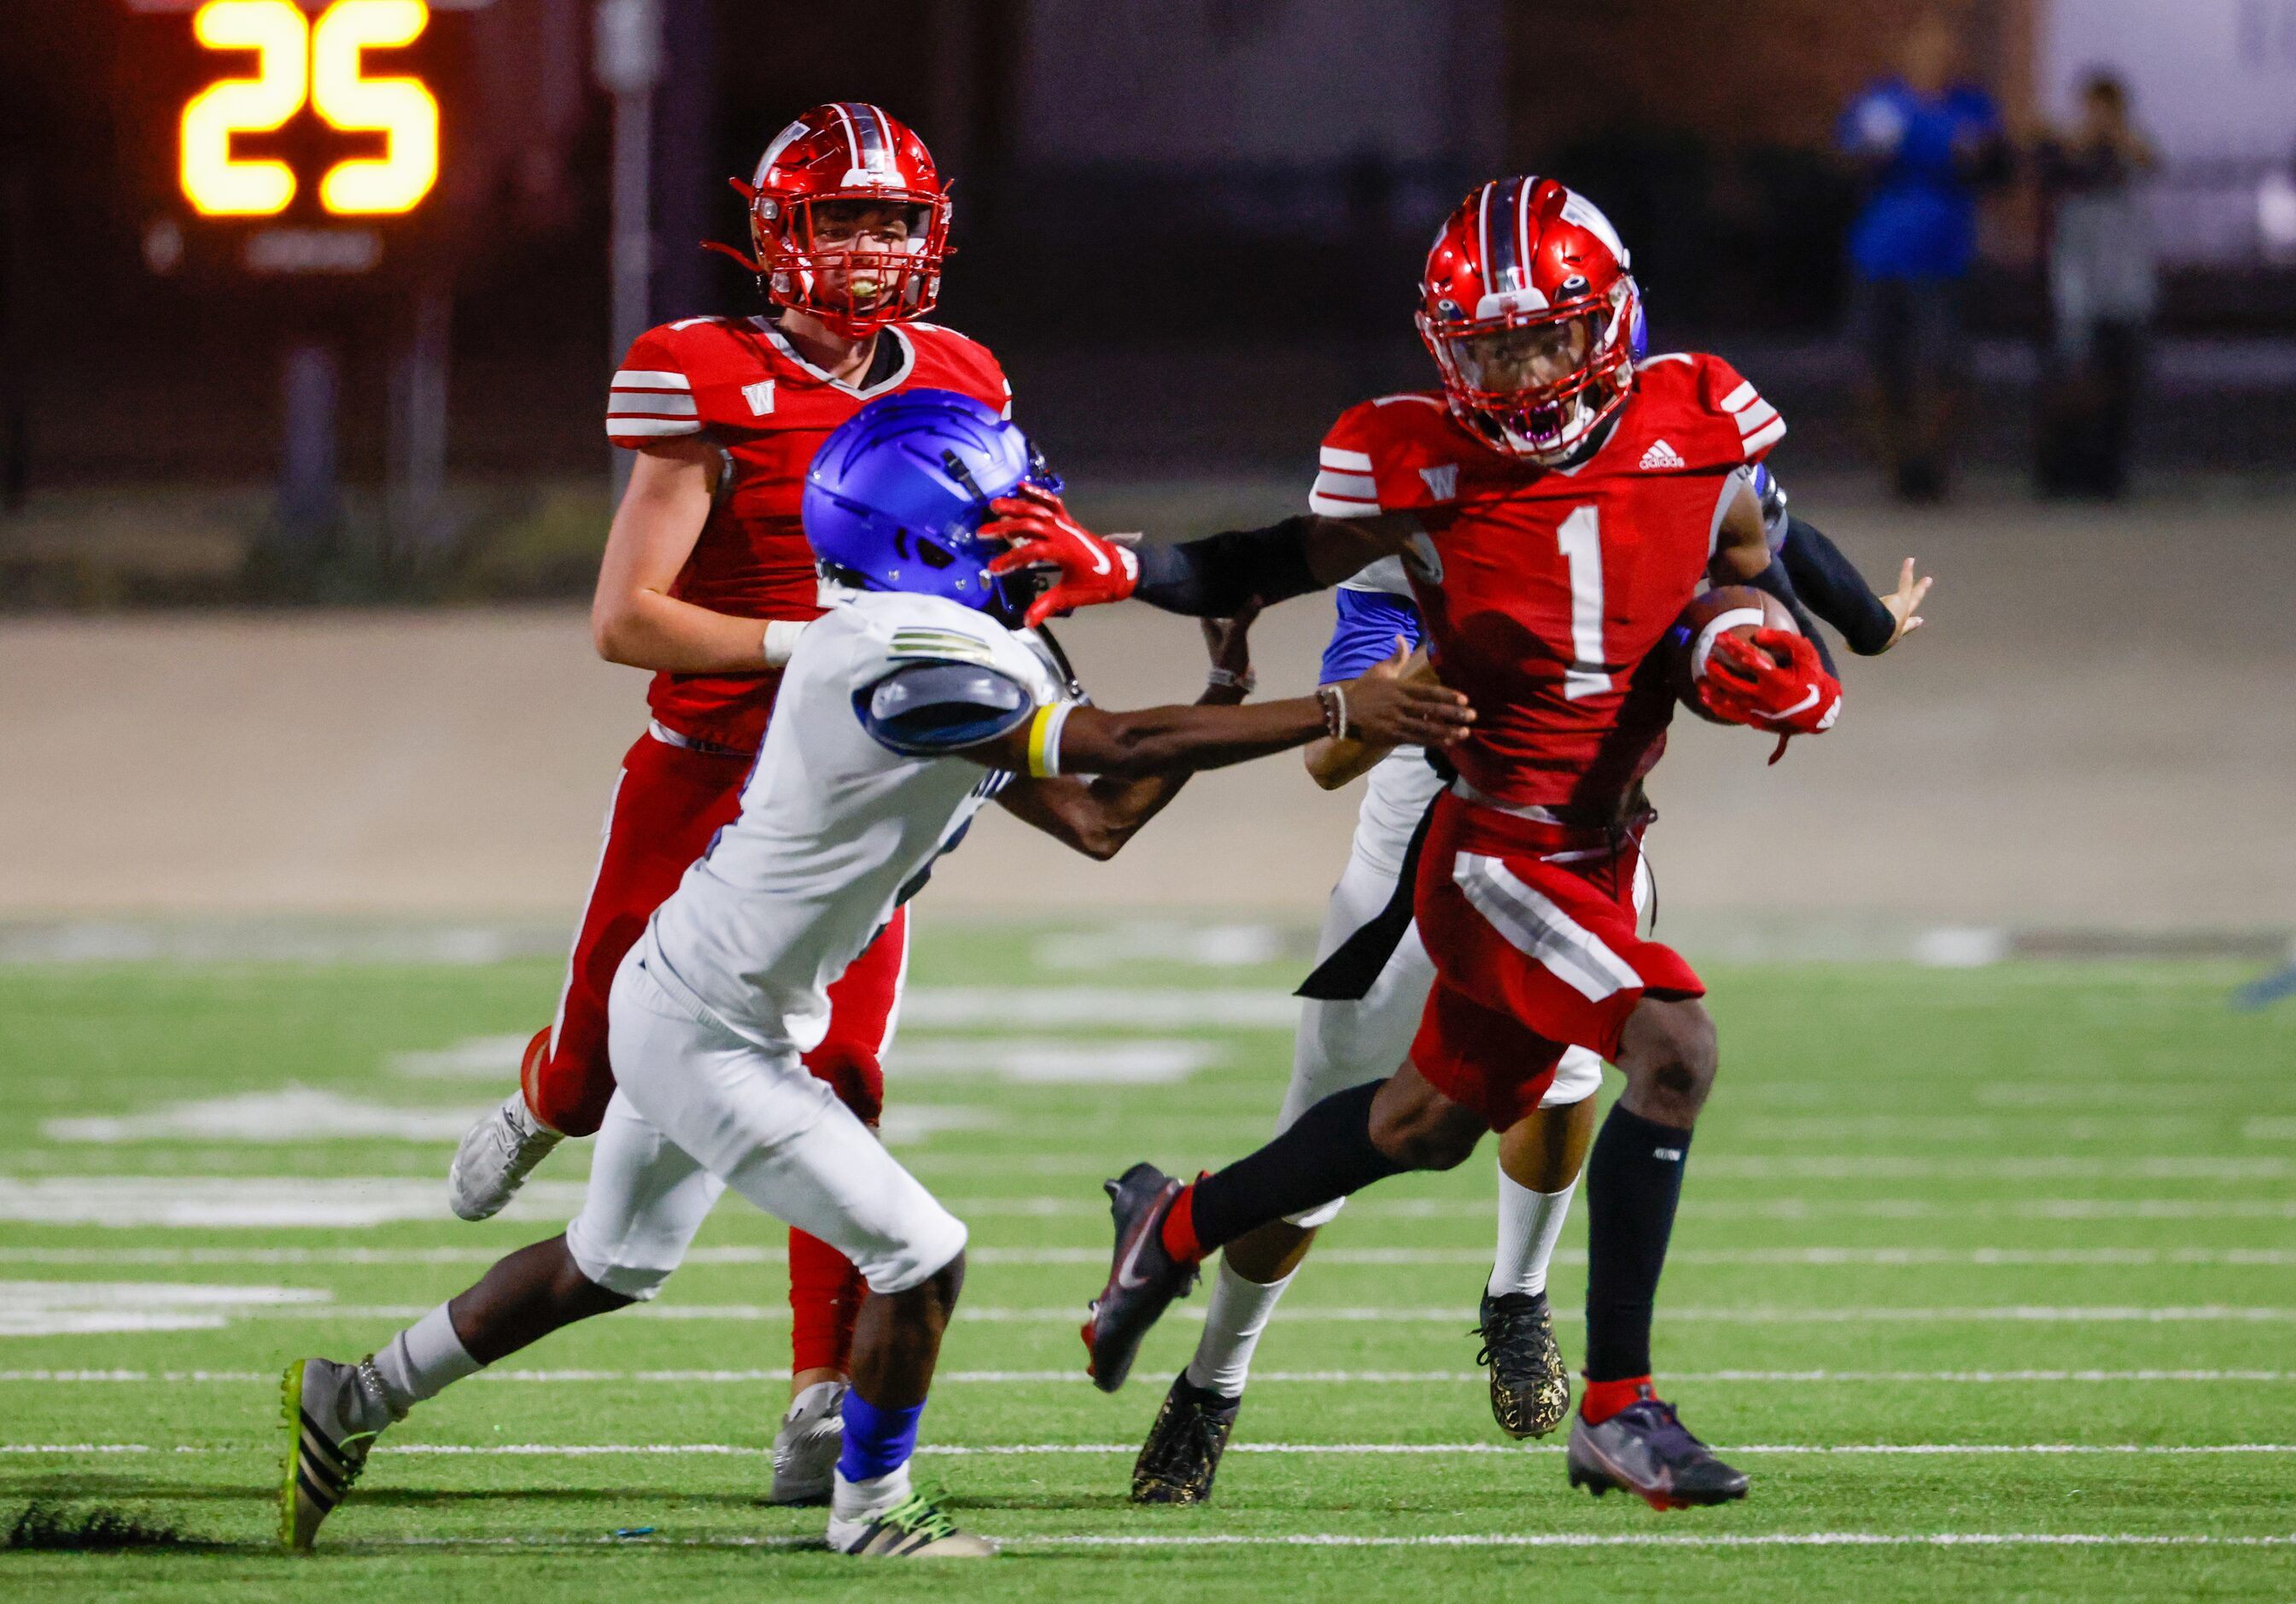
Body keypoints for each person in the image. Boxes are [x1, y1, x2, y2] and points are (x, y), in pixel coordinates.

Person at [283, 389, 1475, 1559]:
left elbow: (1099, 818)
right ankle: (873, 1506)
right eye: (1005, 505)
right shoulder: (905, 656)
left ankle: (352, 1397)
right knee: (920, 1251)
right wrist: (1330, 706)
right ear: (925, 534)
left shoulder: (937, 641)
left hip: (708, 991)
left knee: (608, 1263)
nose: (1034, 519)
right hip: (713, 1023)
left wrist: (1223, 687)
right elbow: (1117, 743)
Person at [981, 177, 1884, 1510]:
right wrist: (1122, 565)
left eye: (1546, 338)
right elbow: (1265, 558)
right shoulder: (1415, 462)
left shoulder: (1695, 417)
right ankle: (1620, 1410)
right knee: (1673, 1045)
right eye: (1490, 348)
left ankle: (1169, 1222)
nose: (1520, 373)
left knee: (1422, 1123)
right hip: (1491, 851)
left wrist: (1747, 639)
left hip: (1602, 838)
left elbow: (1738, 556)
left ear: (1612, 321)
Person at [1127, 448, 1926, 1504]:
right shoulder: (1425, 501)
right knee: (1320, 1153)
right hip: (1422, 867)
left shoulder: (1654, 476)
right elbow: (1329, 753)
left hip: (1583, 854)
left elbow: (1773, 545)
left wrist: (1821, 633)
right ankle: (1208, 1386)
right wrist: (1432, 678)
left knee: (1567, 1085)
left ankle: (1520, 1294)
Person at [443, 103, 1011, 1503]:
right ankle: (540, 1089)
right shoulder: (704, 372)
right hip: (700, 777)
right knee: (590, 1087)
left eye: (891, 218)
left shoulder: (957, 377)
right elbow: (624, 617)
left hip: (850, 798)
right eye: (839, 218)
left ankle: (819, 1392)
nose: (869, 246)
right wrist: (798, 644)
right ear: (775, 232)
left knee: (840, 1079)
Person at [1837, 10, 2009, 502]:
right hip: (1879, 257)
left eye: (1946, 49)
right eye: (1928, 48)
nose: (1938, 57)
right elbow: (1852, 154)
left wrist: (1936, 149)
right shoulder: (1881, 102)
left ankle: (1932, 468)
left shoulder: (1973, 106)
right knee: (1875, 368)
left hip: (1946, 260)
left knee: (1945, 368)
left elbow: (1995, 165)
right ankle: (1897, 468)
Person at [2035, 72, 2158, 499]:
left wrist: (2115, 133)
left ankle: (2110, 472)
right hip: (2078, 282)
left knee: (2122, 380)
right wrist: (2085, 136)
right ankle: (2064, 470)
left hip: (2125, 281)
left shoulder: (2130, 144)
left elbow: (2149, 161)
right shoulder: (2070, 145)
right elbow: (2052, 162)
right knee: (2074, 375)